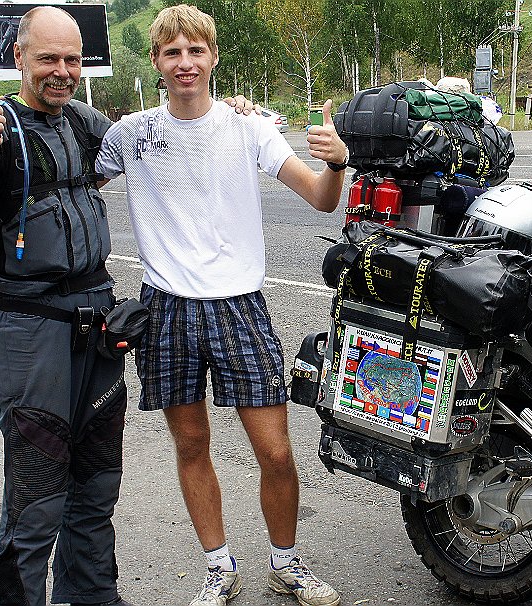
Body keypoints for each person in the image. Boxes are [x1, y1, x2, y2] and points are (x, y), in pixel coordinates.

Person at [94, 5, 346, 606]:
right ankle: (217, 563)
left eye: (196, 50)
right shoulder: (130, 134)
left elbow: (319, 198)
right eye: (172, 53)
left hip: (239, 305)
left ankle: (285, 562)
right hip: (167, 310)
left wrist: (335, 161)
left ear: (212, 57)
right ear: (156, 62)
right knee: (192, 446)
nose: (185, 62)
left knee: (277, 451)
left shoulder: (248, 128)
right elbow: (73, 188)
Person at [0, 7, 132, 606]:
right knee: (38, 489)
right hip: (30, 328)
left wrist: (232, 115)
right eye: (49, 58)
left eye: (72, 59)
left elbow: (156, 136)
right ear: (18, 57)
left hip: (97, 323)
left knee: (96, 485)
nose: (62, 72)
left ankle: (92, 596)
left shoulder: (84, 124)